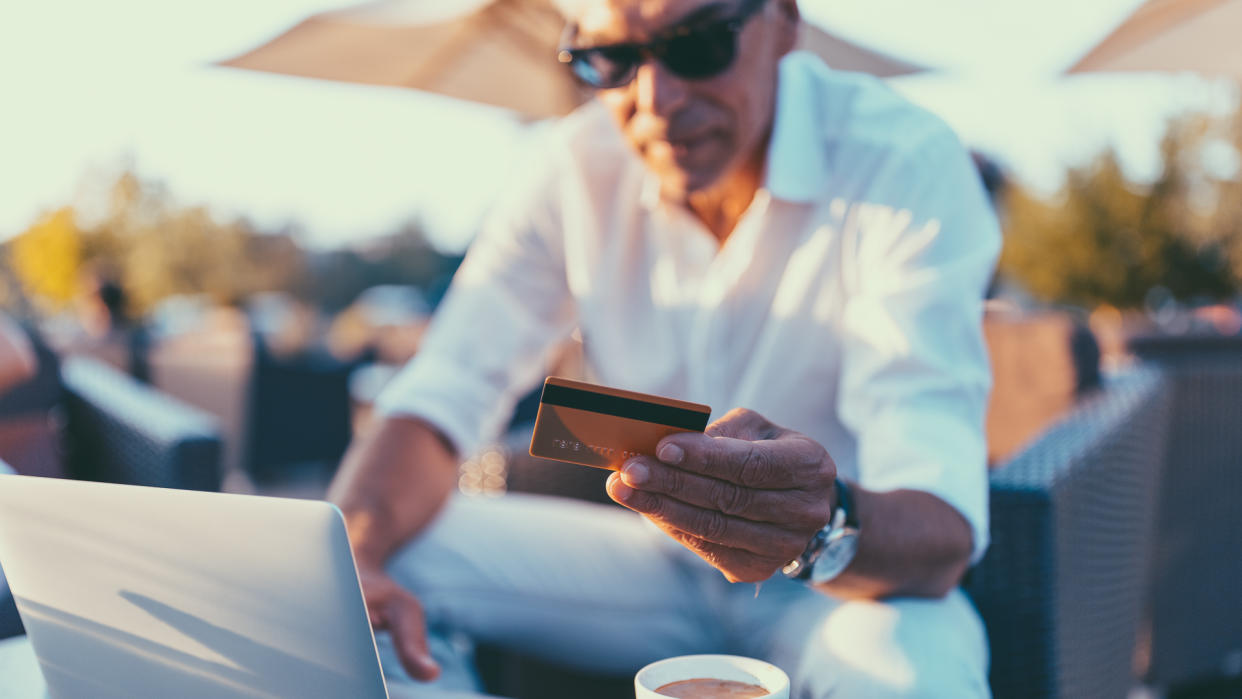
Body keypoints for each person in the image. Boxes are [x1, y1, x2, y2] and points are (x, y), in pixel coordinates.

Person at [327, 0, 1000, 696]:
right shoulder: (574, 164)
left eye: (700, 44)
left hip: (843, 588)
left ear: (787, 21)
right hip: (653, 564)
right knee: (356, 581)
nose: (656, 100)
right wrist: (357, 553)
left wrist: (819, 524)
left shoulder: (901, 160)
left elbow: (941, 529)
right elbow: (447, 384)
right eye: (610, 60)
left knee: (915, 671)